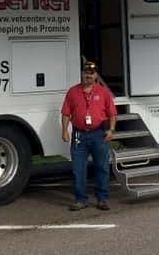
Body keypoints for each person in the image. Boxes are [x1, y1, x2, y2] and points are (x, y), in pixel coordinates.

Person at [61, 60, 117, 210]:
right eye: (86, 72)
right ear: (82, 74)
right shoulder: (72, 92)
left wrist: (111, 130)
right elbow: (66, 113)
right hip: (79, 135)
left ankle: (102, 199)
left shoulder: (103, 92)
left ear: (96, 75)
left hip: (99, 134)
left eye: (92, 73)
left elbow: (112, 113)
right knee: (78, 169)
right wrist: (65, 130)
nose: (89, 76)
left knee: (102, 167)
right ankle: (81, 200)